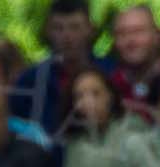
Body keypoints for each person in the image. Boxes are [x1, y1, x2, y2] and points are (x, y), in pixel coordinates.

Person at [52, 67, 160, 167]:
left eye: (96, 94)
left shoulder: (135, 133)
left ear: (110, 96)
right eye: (79, 96)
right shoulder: (75, 143)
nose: (89, 102)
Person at [13, 0, 109, 136]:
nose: (67, 36)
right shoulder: (30, 80)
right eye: (58, 28)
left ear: (89, 29)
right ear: (48, 31)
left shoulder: (109, 73)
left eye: (75, 27)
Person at [107, 4, 160, 117]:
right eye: (122, 34)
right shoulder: (106, 89)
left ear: (158, 37)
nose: (130, 40)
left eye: (138, 31)